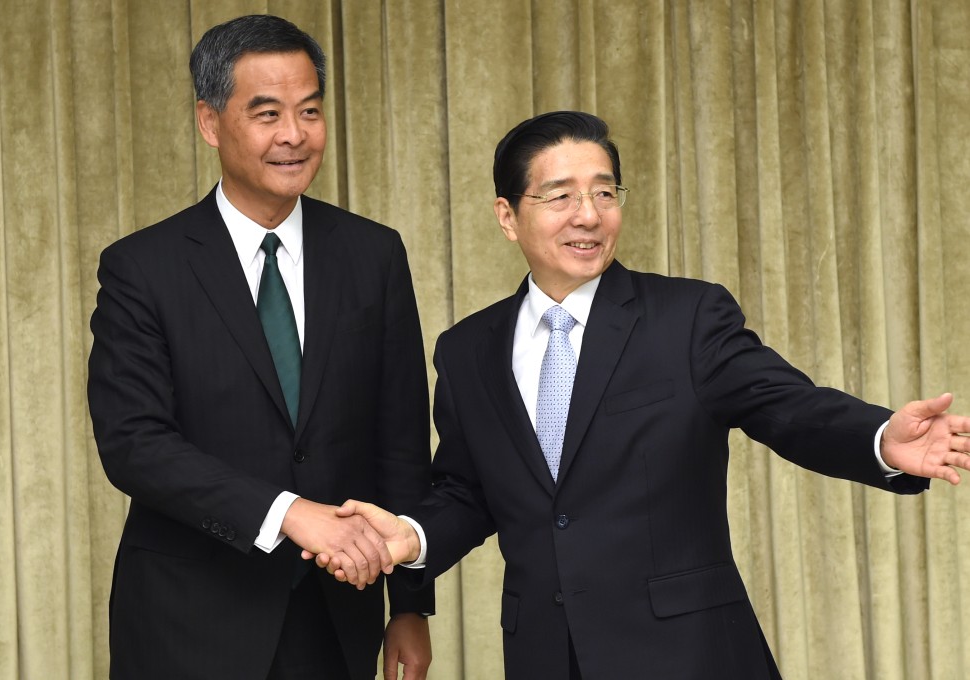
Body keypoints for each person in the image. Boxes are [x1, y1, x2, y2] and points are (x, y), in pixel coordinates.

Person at [309, 111, 970, 679]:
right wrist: (412, 538)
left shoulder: (688, 318)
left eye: (604, 192)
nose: (589, 215)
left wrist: (880, 438)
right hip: (546, 656)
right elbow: (468, 493)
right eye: (561, 196)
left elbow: (788, 407)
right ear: (507, 216)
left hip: (688, 655)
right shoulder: (466, 350)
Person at [86, 14, 433, 680]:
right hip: (188, 621)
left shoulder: (373, 255)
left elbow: (400, 439)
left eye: (309, 111)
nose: (294, 135)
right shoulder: (143, 267)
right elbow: (135, 444)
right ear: (210, 122)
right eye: (267, 113)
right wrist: (288, 514)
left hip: (337, 619)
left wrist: (412, 604)